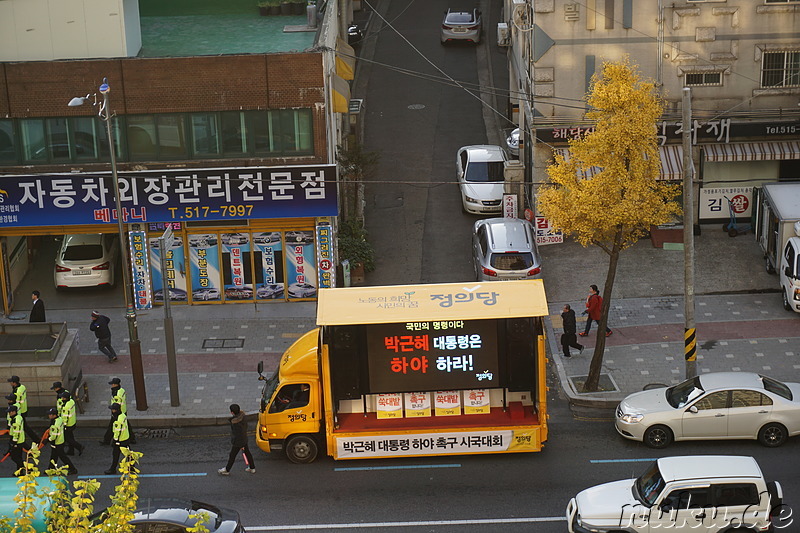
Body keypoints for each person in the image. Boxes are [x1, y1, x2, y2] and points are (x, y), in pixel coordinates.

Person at [217, 404, 255, 476]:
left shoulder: (235, 423)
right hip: (244, 439)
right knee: (247, 453)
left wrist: (240, 444)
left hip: (238, 442)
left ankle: (227, 470)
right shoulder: (243, 417)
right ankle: (252, 467)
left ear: (232, 412)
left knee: (232, 455)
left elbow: (237, 434)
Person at [100, 378, 135, 445]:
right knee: (126, 424)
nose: (111, 385)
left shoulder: (117, 394)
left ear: (116, 384)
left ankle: (107, 441)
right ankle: (132, 438)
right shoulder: (122, 390)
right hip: (123, 411)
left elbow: (117, 405)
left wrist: (115, 413)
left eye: (112, 384)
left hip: (118, 412)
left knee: (111, 427)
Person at [46, 407, 77, 475]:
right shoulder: (59, 419)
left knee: (63, 457)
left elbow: (54, 436)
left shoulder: (54, 424)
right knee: (54, 456)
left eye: (50, 414)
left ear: (54, 415)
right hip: (60, 441)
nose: (49, 415)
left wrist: (48, 439)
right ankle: (51, 468)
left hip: (57, 443)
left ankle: (72, 468)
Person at [8, 376, 39, 443]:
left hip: (19, 411)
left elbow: (16, 403)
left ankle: (35, 440)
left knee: (23, 427)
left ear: (14, 383)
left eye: (11, 382)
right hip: (23, 409)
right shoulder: (22, 387)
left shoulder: (17, 392)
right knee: (24, 426)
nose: (10, 383)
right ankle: (36, 439)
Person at [104, 403, 130, 475]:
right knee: (128, 453)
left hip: (120, 440)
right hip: (125, 437)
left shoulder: (117, 420)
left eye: (113, 409)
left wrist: (115, 441)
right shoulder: (123, 415)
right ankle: (132, 466)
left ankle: (113, 469)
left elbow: (117, 432)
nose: (112, 411)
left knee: (116, 454)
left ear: (116, 410)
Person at [58, 390, 84, 456]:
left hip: (68, 425)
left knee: (67, 439)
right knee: (71, 437)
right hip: (73, 422)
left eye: (63, 398)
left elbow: (65, 418)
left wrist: (63, 425)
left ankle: (79, 447)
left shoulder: (65, 407)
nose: (61, 399)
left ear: (66, 398)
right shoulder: (71, 401)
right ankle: (71, 451)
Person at [6, 404, 29, 476]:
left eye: (10, 412)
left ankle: (23, 468)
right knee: (18, 456)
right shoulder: (19, 417)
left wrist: (14, 442)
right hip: (20, 440)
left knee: (15, 457)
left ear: (14, 412)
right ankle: (20, 471)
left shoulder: (15, 420)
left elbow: (16, 432)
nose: (9, 413)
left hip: (17, 441)